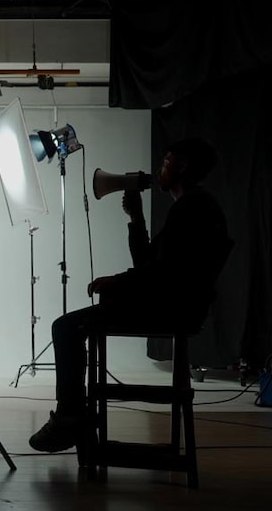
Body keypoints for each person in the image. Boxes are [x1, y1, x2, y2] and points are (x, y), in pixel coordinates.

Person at [29, 137, 231, 452]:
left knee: (65, 327)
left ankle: (70, 417)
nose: (160, 167)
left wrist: (117, 282)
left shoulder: (191, 208)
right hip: (177, 307)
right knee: (78, 321)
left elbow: (163, 273)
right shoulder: (194, 205)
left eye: (167, 161)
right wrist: (136, 220)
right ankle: (74, 416)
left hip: (170, 309)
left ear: (183, 167)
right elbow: (151, 265)